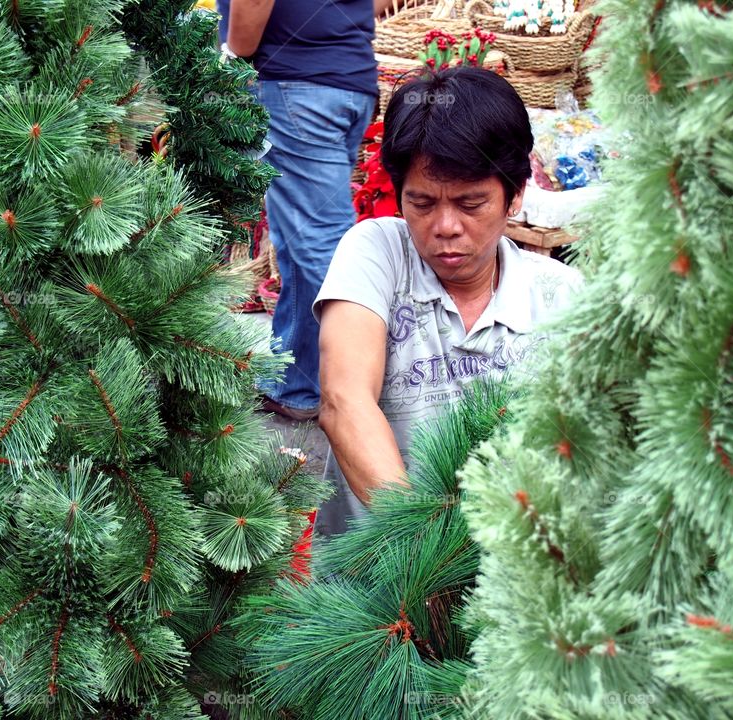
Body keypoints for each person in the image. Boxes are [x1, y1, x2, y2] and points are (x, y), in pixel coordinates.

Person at [314, 66, 584, 535]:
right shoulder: (377, 252)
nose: (444, 227)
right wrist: (425, 548)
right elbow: (344, 400)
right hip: (377, 585)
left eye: (470, 203)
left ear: (515, 195)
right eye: (421, 203)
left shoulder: (558, 295)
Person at [227, 0, 390, 420]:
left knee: (321, 248)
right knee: (300, 240)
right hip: (346, 79)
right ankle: (298, 385)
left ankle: (374, 390)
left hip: (297, 82)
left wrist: (234, 53)